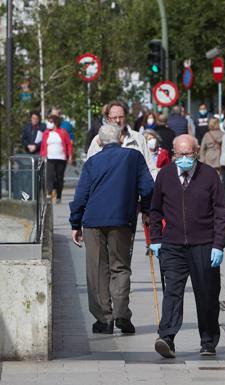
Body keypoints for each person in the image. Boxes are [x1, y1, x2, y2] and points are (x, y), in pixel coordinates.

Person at [69, 124, 153, 335]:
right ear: (121, 138)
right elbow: (148, 187)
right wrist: (147, 209)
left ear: (99, 141)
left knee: (96, 270)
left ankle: (103, 319)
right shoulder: (134, 157)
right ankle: (122, 315)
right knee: (121, 268)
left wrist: (75, 223)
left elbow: (80, 196)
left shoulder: (92, 162)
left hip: (93, 222)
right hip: (122, 220)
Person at [149, 134, 225, 358]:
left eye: (189, 154)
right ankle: (166, 337)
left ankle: (208, 341)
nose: (184, 158)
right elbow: (155, 210)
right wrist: (155, 239)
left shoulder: (209, 175)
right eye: (180, 154)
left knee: (207, 294)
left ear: (196, 152)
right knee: (172, 291)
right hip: (172, 244)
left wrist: (218, 244)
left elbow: (220, 212)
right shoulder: (165, 175)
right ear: (173, 154)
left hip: (204, 244)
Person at [87, 101, 155, 175]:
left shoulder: (138, 138)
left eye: (121, 117)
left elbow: (150, 168)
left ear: (126, 117)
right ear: (108, 119)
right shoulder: (98, 140)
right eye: (114, 117)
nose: (118, 120)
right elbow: (89, 169)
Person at [40, 115, 73, 203]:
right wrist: (43, 155)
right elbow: (43, 145)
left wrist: (70, 156)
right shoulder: (46, 133)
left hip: (61, 158)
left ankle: (58, 196)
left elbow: (68, 144)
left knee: (59, 177)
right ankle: (49, 194)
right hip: (50, 158)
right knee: (49, 176)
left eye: (51, 122)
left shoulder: (63, 132)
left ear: (55, 123)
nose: (49, 124)